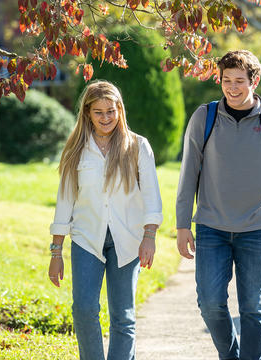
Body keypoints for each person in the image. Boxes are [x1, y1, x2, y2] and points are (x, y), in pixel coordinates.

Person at [176, 50, 261, 360]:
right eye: (226, 80)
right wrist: (181, 225)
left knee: (252, 308)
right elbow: (188, 172)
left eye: (240, 81)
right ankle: (231, 355)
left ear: (254, 81)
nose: (232, 88)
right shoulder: (205, 117)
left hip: (257, 227)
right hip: (211, 226)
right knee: (209, 302)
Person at [48, 80, 163, 360]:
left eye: (111, 111)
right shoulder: (76, 150)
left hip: (129, 240)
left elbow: (151, 196)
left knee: (122, 315)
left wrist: (149, 237)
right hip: (87, 239)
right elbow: (65, 200)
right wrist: (56, 251)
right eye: (98, 112)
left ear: (119, 110)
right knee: (84, 308)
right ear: (87, 113)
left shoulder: (137, 146)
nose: (106, 118)